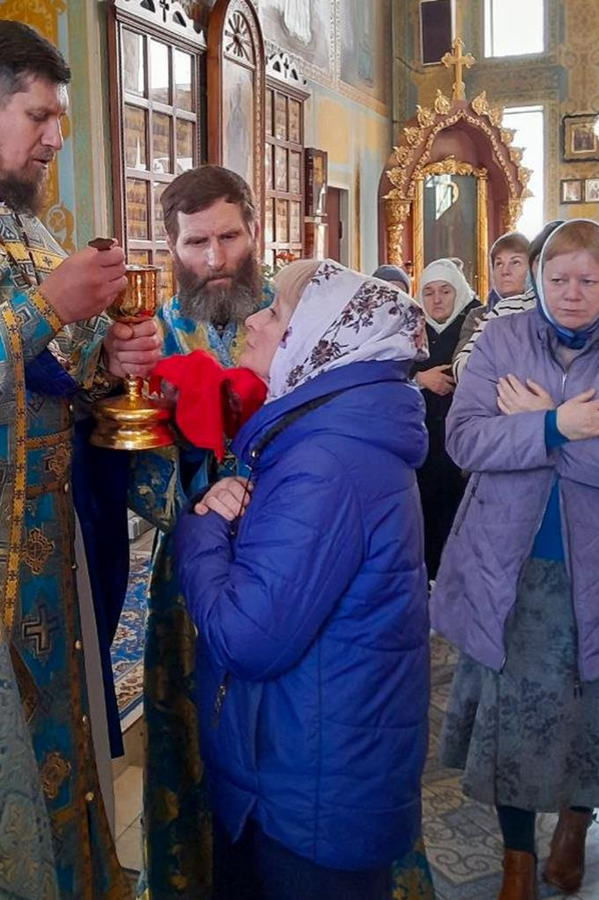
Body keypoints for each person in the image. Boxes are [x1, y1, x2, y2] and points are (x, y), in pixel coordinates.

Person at [173, 259, 432, 900]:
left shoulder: (325, 460)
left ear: (320, 340)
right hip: (319, 759)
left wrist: (201, 528)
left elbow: (247, 636)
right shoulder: (334, 431)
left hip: (308, 791)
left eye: (278, 312)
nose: (255, 321)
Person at [431, 219, 599, 900]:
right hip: (510, 566)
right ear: (537, 278)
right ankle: (516, 860)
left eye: (589, 281)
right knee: (510, 724)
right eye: (558, 279)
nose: (571, 293)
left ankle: (576, 824)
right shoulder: (501, 340)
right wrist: (564, 425)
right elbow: (467, 442)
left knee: (595, 716)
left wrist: (541, 425)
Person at [0, 19, 160, 899]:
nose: (57, 136)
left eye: (60, 118)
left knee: (66, 745)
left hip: (55, 554)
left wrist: (112, 361)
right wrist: (43, 309)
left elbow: (56, 380)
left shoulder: (33, 232)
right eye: (40, 114)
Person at [128, 164, 272, 899]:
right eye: (195, 243)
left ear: (255, 231)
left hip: (293, 556)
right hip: (191, 568)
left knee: (289, 739)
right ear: (171, 245)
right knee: (194, 737)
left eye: (228, 237)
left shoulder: (301, 314)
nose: (214, 259)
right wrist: (196, 492)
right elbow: (134, 460)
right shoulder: (147, 337)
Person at [412, 259, 479, 580]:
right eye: (428, 292)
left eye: (445, 291)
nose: (436, 300)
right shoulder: (409, 326)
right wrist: (420, 379)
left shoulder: (476, 321)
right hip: (420, 449)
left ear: (460, 293)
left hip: (462, 450)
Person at [452, 222, 563, 382]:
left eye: (515, 262)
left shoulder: (572, 308)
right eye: (499, 264)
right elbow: (462, 369)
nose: (505, 271)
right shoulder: (497, 311)